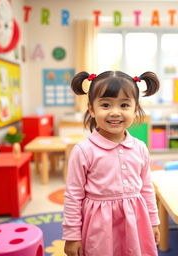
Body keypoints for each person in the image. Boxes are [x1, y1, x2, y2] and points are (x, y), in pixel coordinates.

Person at [62, 71, 161, 256]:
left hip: (135, 222)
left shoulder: (140, 148)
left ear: (135, 109)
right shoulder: (84, 150)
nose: (115, 112)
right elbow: (73, 196)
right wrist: (72, 235)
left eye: (124, 105)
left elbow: (147, 188)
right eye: (105, 105)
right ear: (91, 109)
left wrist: (153, 222)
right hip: (100, 227)